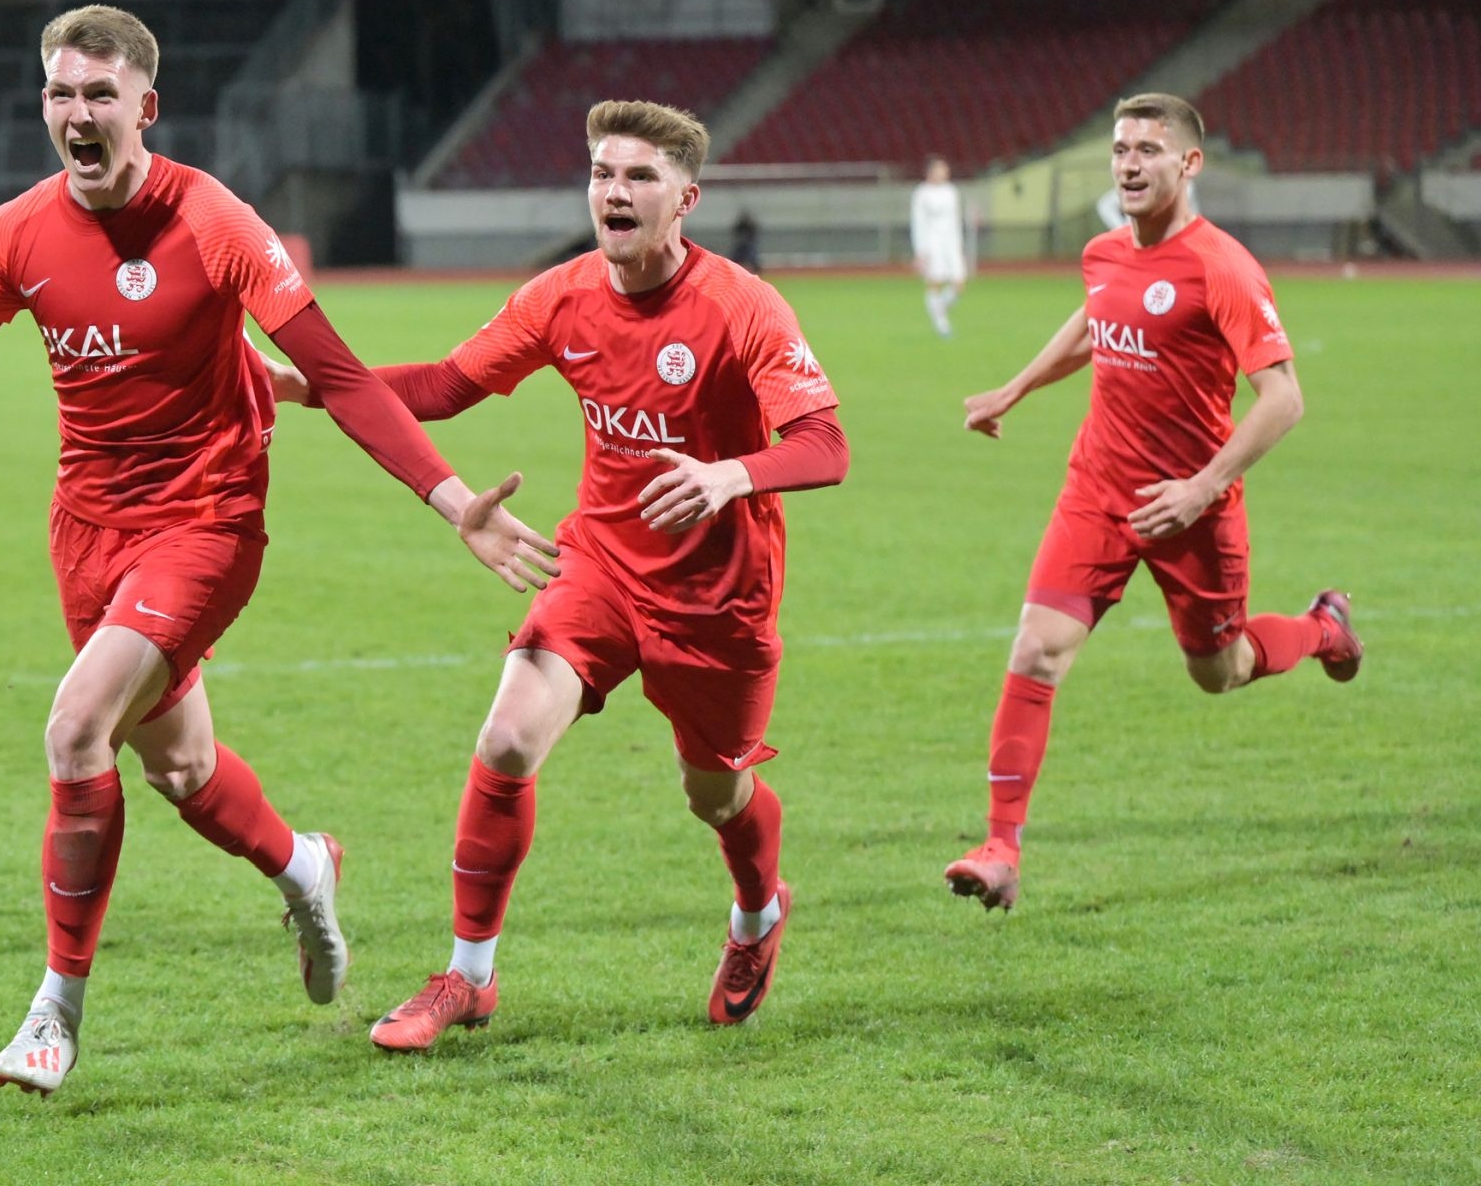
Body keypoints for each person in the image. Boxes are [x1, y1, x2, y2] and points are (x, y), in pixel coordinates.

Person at [0, 5, 558, 1096]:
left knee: (76, 730)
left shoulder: (214, 222)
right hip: (86, 531)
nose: (79, 113)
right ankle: (303, 863)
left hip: (207, 521)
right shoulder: (17, 232)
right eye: (61, 94)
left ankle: (55, 1012)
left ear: (144, 107)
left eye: (100, 95)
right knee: (181, 769)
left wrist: (450, 499)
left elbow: (342, 376)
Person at [270, 100, 849, 1048]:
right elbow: (448, 385)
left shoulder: (742, 306)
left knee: (715, 794)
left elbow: (825, 443)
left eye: (640, 177)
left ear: (686, 199)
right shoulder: (562, 294)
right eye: (602, 174)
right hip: (600, 567)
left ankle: (757, 914)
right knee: (506, 740)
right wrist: (316, 385)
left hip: (720, 599)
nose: (614, 192)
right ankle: (468, 978)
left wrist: (729, 475)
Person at [942, 93, 1362, 913]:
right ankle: (1000, 848)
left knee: (1220, 670)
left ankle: (1323, 629)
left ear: (1189, 163)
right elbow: (1096, 320)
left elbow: (1284, 398)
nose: (1130, 165)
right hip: (1098, 490)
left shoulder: (1222, 267)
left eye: (1148, 150)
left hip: (1195, 509)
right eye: (1120, 149)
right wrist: (1016, 387)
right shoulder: (1103, 252)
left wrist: (1202, 488)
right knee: (1036, 650)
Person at [910, 156, 967, 337]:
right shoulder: (921, 193)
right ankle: (941, 323)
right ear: (930, 172)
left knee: (959, 283)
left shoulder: (951, 191)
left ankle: (938, 310)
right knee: (935, 281)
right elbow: (918, 222)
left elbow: (956, 220)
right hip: (932, 243)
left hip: (951, 242)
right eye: (940, 169)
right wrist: (920, 251)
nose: (944, 172)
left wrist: (960, 245)